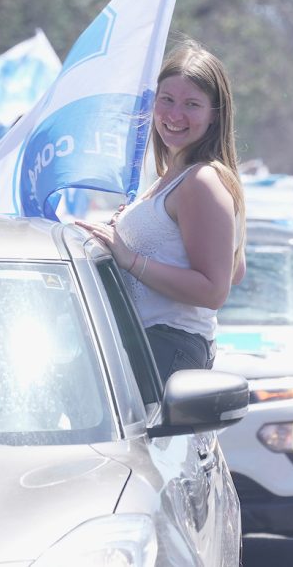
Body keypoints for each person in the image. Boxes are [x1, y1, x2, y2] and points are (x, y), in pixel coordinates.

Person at [79, 40, 246, 384]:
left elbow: (216, 289)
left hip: (165, 348)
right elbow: (235, 269)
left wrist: (131, 259)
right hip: (147, 345)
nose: (174, 115)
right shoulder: (173, 178)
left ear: (215, 114)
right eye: (166, 100)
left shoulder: (202, 180)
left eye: (192, 104)